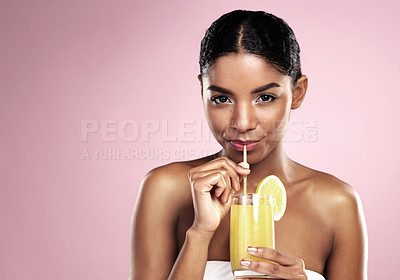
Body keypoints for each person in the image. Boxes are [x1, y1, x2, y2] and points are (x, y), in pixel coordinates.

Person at [129, 10, 368, 280]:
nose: (242, 123)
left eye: (265, 97)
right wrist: (199, 234)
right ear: (202, 92)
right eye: (222, 99)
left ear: (297, 93)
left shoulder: (337, 205)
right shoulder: (166, 189)